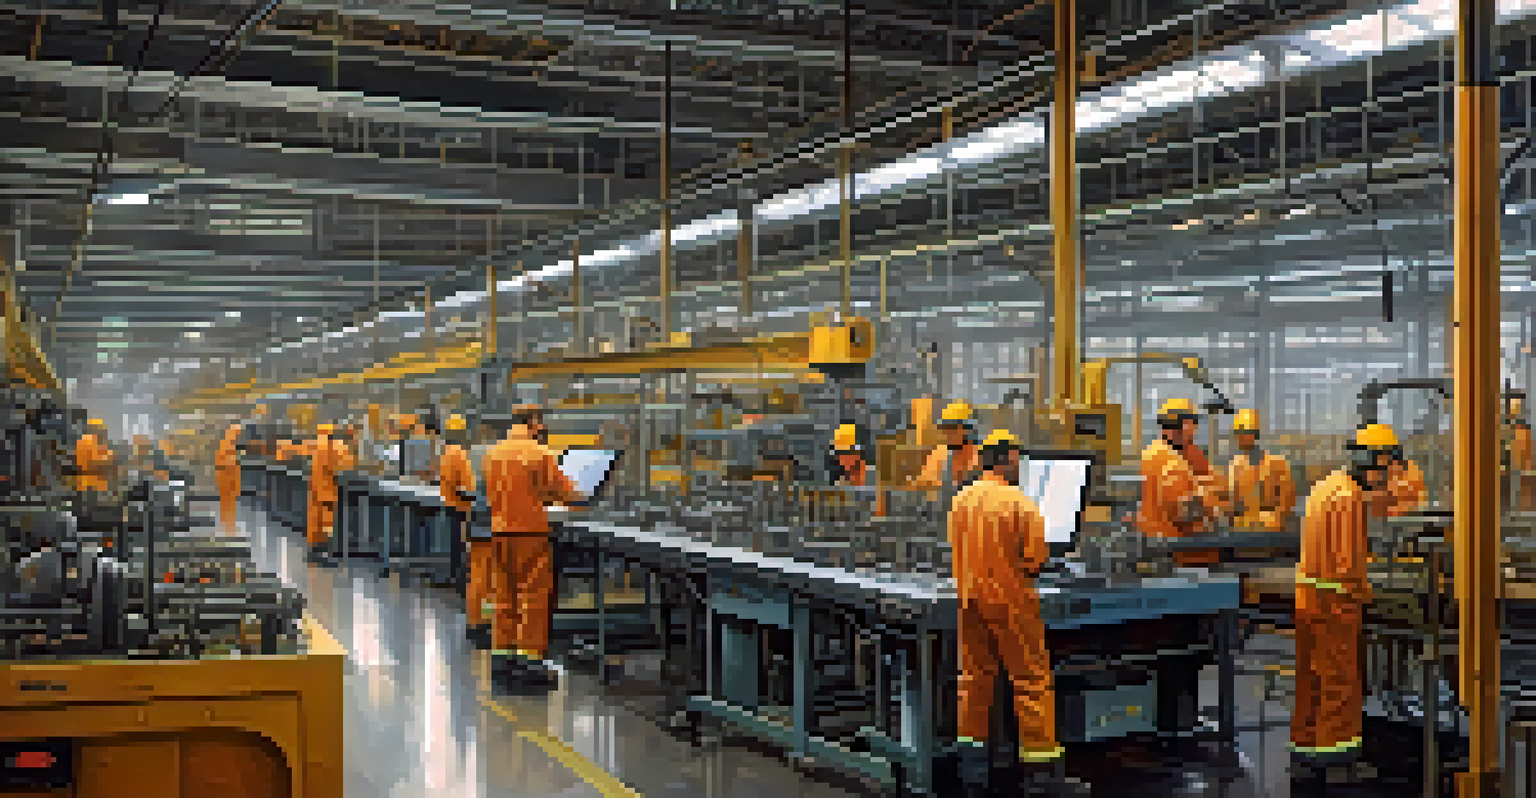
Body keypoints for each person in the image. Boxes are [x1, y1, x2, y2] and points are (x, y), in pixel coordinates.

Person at [949, 430, 1081, 797]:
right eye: (1017, 459)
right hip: (1010, 603)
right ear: (1006, 459)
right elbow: (1036, 560)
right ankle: (1042, 775)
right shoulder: (1019, 504)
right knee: (1031, 681)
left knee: (974, 679)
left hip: (969, 600)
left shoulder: (960, 501)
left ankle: (972, 769)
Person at [1292, 424, 1391, 775]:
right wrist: (1371, 593)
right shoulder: (1350, 497)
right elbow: (1348, 563)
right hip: (1336, 602)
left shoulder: (1324, 488)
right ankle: (1338, 761)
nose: (1389, 475)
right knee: (1340, 681)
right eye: (1388, 465)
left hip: (1308, 597)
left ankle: (1305, 747)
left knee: (1310, 677)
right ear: (1375, 461)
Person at [482, 406, 585, 684]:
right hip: (530, 534)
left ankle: (501, 661)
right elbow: (566, 492)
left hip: (500, 533)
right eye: (541, 423)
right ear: (533, 423)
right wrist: (583, 499)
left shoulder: (492, 454)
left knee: (503, 597)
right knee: (533, 599)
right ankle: (529, 663)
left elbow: (494, 492)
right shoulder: (540, 454)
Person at [1138, 399, 1223, 567]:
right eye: (1194, 424)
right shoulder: (1174, 464)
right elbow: (1186, 513)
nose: (1194, 432)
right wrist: (1213, 507)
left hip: (1155, 545)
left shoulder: (1150, 454)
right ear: (1185, 425)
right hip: (1182, 553)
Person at [436, 415, 480, 638]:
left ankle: (455, 577)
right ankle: (461, 581)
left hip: (450, 503)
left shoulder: (446, 453)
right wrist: (476, 496)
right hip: (462, 506)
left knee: (455, 544)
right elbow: (465, 485)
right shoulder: (459, 454)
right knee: (463, 546)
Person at [1223, 409, 1296, 533]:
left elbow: (1286, 503)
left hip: (1271, 531)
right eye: (1237, 433)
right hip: (1243, 531)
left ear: (1254, 434)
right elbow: (1232, 503)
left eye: (1244, 433)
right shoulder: (1235, 466)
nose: (1239, 438)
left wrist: (1270, 519)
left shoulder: (1278, 464)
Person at [305, 424, 355, 556]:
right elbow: (344, 468)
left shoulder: (317, 445)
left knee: (315, 523)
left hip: (316, 489)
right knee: (328, 525)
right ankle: (327, 553)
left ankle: (314, 551)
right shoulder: (333, 446)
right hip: (328, 491)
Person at [913, 401, 982, 494]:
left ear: (966, 430)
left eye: (952, 428)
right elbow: (922, 483)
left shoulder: (978, 455)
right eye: (945, 429)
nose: (947, 434)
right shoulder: (940, 453)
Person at [74, 419, 114, 495]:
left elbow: (108, 462)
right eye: (101, 430)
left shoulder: (101, 444)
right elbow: (94, 463)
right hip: (88, 486)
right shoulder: (86, 442)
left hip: (97, 486)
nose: (103, 432)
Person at [215, 424, 243, 531]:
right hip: (227, 479)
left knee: (229, 505)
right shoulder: (227, 446)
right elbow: (224, 464)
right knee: (228, 505)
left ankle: (229, 525)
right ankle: (228, 526)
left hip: (229, 479)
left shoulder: (229, 446)